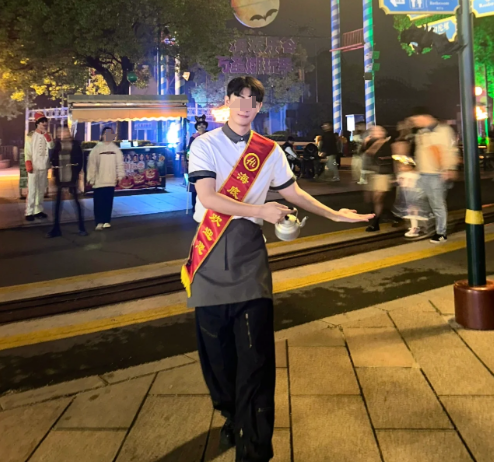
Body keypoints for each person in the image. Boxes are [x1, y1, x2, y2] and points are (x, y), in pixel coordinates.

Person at [183, 75, 373, 462]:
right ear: (227, 102)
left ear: (258, 107)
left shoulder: (268, 151)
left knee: (256, 358)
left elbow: (293, 192)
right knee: (217, 358)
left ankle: (254, 448)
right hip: (209, 253)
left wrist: (334, 215)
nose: (245, 106)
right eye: (239, 98)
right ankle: (231, 412)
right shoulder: (204, 144)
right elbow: (208, 197)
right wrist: (261, 209)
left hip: (249, 254)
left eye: (252, 100)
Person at [409, 107, 458, 243]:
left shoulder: (444, 130)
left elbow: (450, 150)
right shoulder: (421, 133)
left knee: (437, 204)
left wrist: (449, 168)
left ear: (423, 117)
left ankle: (441, 233)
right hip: (422, 174)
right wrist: (416, 168)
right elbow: (420, 153)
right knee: (416, 200)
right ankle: (429, 225)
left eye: (415, 120)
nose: (414, 123)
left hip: (438, 174)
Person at [46, 127, 87, 238]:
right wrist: (54, 175)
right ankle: (56, 229)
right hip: (60, 177)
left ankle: (82, 228)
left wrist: (76, 174)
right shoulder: (57, 145)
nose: (63, 134)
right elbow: (53, 160)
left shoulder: (75, 145)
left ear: (69, 133)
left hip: (72, 177)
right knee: (57, 204)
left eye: (65, 132)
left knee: (77, 203)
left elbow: (80, 161)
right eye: (60, 132)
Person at [87, 127, 125, 231]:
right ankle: (99, 221)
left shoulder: (115, 149)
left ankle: (106, 220)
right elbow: (91, 165)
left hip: (110, 180)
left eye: (110, 134)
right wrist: (91, 178)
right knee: (98, 202)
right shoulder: (97, 149)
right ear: (102, 135)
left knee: (108, 202)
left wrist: (120, 176)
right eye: (106, 133)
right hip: (99, 181)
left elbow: (120, 164)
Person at [361, 126, 394, 232]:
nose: (376, 132)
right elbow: (365, 154)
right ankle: (383, 213)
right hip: (372, 173)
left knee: (378, 198)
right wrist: (365, 143)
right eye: (374, 131)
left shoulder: (388, 143)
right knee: (370, 198)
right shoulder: (370, 142)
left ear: (384, 132)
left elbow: (372, 153)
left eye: (379, 130)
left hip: (383, 173)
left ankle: (376, 222)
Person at [25, 112, 55, 221]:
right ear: (37, 123)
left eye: (45, 122)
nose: (44, 124)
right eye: (42, 122)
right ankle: (29, 212)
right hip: (33, 166)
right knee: (32, 190)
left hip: (44, 166)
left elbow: (51, 146)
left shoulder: (48, 135)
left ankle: (38, 210)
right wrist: (28, 163)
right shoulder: (30, 136)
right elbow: (27, 151)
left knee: (41, 189)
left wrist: (47, 137)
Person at [187, 115, 209, 214]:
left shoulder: (210, 136)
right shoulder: (193, 138)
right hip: (196, 165)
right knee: (195, 187)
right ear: (196, 127)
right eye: (199, 125)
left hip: (207, 165)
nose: (201, 127)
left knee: (207, 187)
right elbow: (188, 151)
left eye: (203, 125)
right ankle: (195, 206)